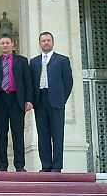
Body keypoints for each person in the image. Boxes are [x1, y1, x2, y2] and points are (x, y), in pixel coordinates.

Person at [30, 32, 73, 173]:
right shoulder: (34, 62)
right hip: (40, 100)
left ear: (53, 42)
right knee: (43, 134)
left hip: (56, 101)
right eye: (43, 41)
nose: (46, 43)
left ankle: (57, 166)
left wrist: (61, 99)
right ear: (40, 43)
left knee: (57, 134)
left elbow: (68, 82)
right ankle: (46, 165)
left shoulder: (62, 60)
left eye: (48, 40)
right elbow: (31, 83)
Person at [0, 34, 33, 172]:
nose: (5, 45)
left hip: (17, 100)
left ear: (12, 44)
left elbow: (28, 82)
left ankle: (20, 165)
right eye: (2, 43)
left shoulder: (22, 61)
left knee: (17, 133)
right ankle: (2, 165)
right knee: (1, 134)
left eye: (7, 43)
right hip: (0, 101)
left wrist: (28, 100)